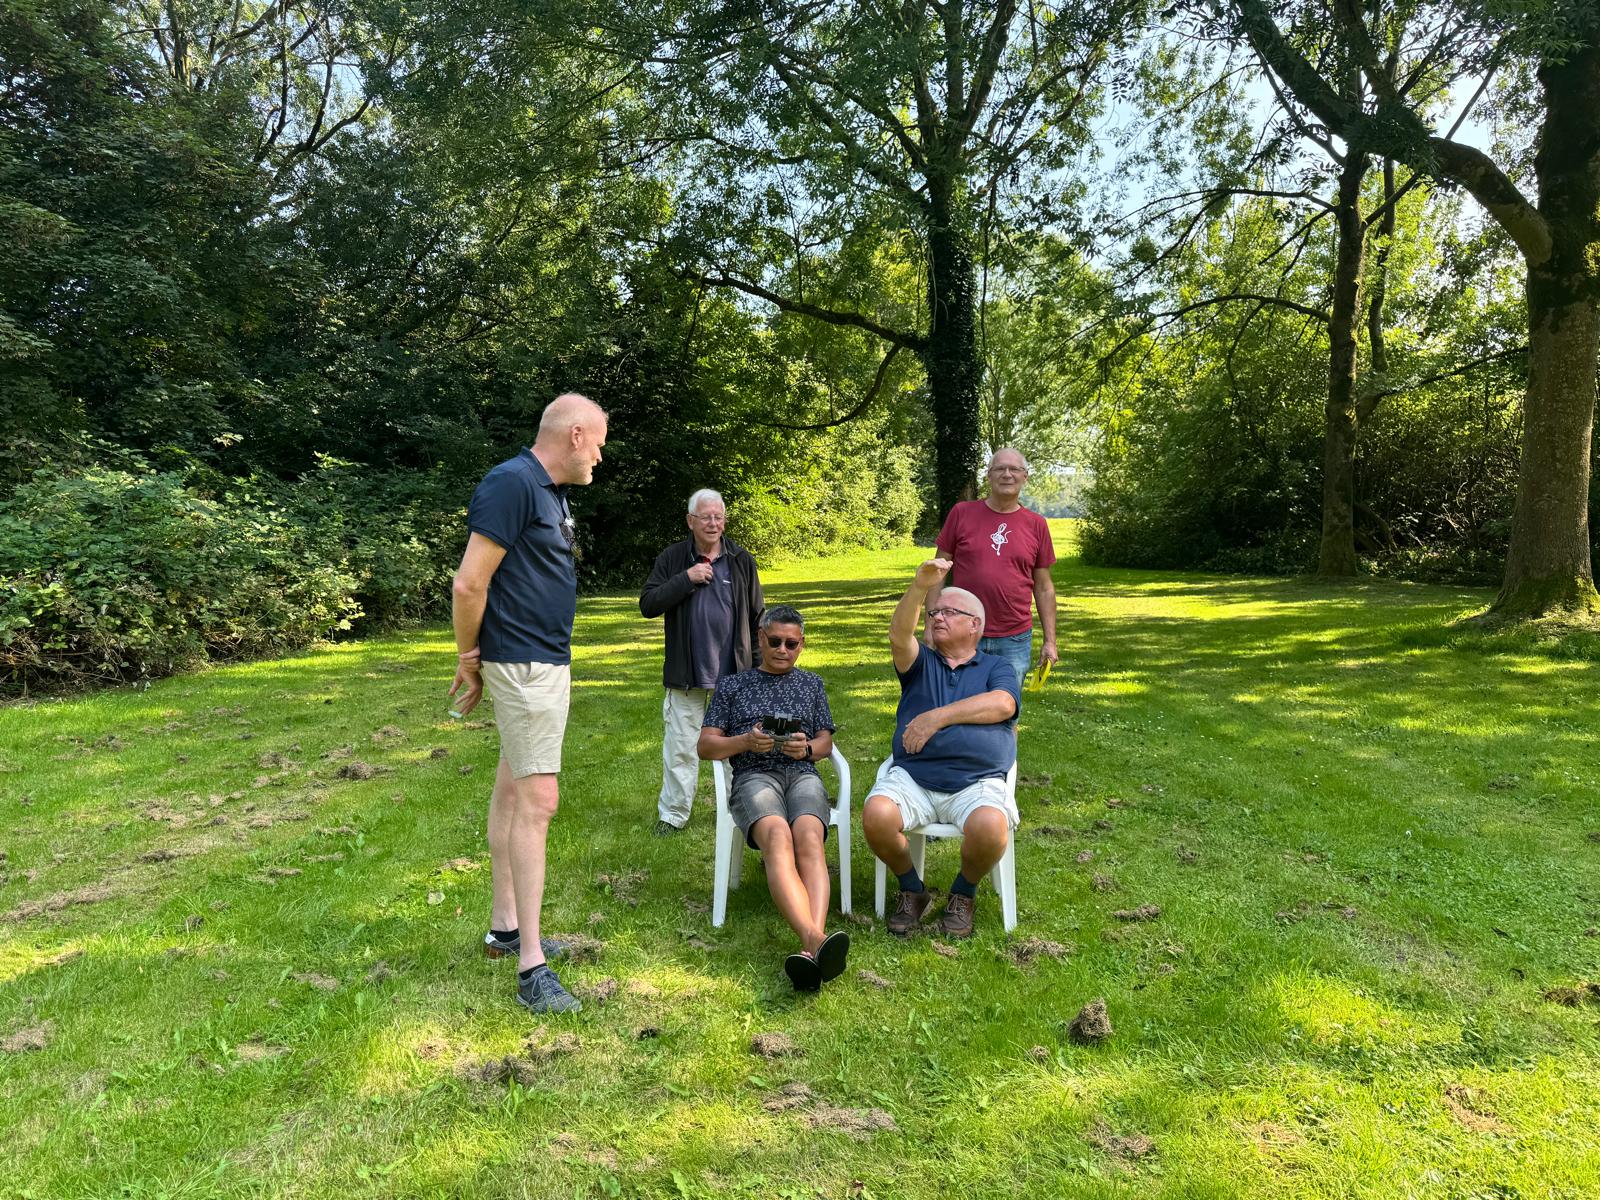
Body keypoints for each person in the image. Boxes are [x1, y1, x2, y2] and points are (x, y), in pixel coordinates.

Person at [448, 392, 607, 1015]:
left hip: (541, 660)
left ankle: (505, 929)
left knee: (514, 789)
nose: (599, 456)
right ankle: (532, 967)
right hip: (524, 663)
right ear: (574, 435)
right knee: (539, 802)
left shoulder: (550, 492)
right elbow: (470, 582)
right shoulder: (512, 483)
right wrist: (469, 656)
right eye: (597, 443)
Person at [864, 558, 1021, 939]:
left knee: (991, 828)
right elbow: (899, 635)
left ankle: (963, 893)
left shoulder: (996, 667)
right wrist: (920, 587)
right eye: (935, 612)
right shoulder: (921, 663)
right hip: (915, 777)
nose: (938, 617)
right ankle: (912, 888)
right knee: (876, 815)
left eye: (950, 612)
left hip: (977, 780)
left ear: (974, 625)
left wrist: (937, 718)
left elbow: (1003, 704)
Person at [697, 605, 848, 990]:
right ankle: (815, 940)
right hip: (753, 776)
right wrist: (745, 741)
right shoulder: (733, 686)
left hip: (802, 774)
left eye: (791, 644)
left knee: (809, 837)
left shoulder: (811, 684)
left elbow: (826, 742)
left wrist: (807, 750)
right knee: (778, 837)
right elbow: (705, 746)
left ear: (802, 645)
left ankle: (811, 947)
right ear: (760, 639)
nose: (783, 649)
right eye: (775, 641)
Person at [639, 489, 764, 836]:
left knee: (738, 746)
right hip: (687, 673)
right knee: (681, 746)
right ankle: (673, 815)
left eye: (718, 517)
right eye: (705, 517)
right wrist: (686, 579)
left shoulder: (741, 559)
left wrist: (758, 671)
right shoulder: (673, 558)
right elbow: (648, 604)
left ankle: (741, 810)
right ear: (690, 521)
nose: (712, 523)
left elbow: (758, 617)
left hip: (735, 674)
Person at [929, 448, 1057, 688]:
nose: (1007, 474)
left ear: (1025, 476)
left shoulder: (1036, 525)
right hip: (961, 631)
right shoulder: (962, 513)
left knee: (1005, 706)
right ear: (989, 475)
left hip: (1014, 638)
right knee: (956, 702)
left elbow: (1044, 587)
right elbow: (937, 575)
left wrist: (1050, 641)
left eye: (1014, 469)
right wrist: (931, 626)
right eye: (1000, 469)